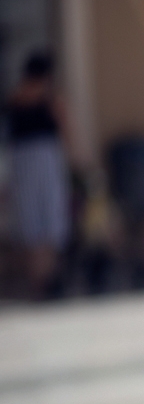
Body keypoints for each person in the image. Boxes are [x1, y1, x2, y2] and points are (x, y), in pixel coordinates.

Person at [5, 52, 73, 300]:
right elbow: (67, 131)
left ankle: (42, 281)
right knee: (45, 221)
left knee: (37, 223)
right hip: (41, 163)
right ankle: (45, 280)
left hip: (25, 164)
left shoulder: (16, 99)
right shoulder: (47, 100)